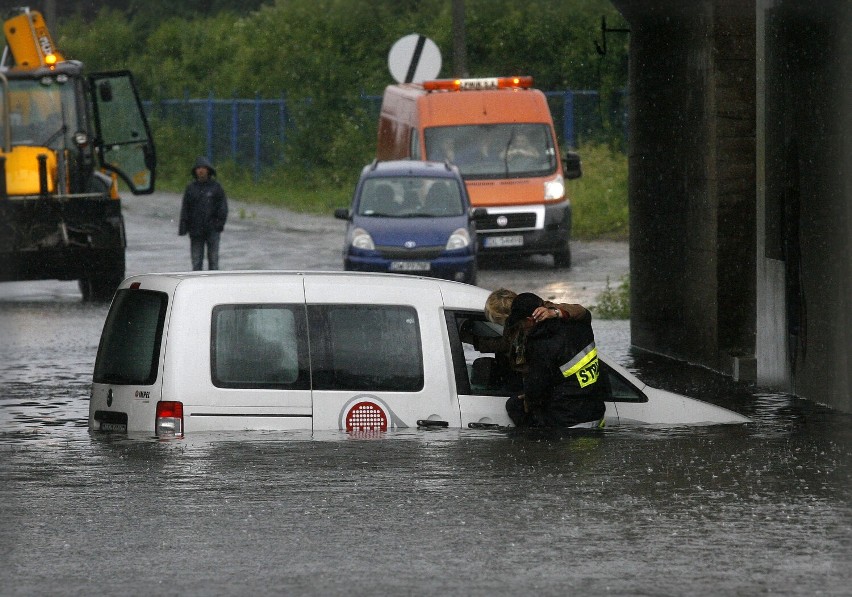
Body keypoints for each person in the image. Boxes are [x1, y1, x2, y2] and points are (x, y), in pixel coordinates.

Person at [486, 290, 605, 428]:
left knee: (515, 407)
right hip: (594, 410)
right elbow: (585, 314)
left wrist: (529, 398)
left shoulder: (541, 345)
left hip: (568, 420)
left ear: (529, 321)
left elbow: (537, 385)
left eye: (519, 323)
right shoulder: (577, 326)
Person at [179, 156, 228, 270]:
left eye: (203, 168)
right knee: (196, 262)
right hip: (195, 230)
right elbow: (185, 208)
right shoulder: (191, 188)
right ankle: (197, 286)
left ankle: (213, 285)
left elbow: (223, 208)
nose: (200, 170)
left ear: (208, 170)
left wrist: (219, 224)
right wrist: (184, 226)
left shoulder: (216, 187)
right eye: (198, 168)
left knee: (214, 262)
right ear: (195, 171)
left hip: (212, 230)